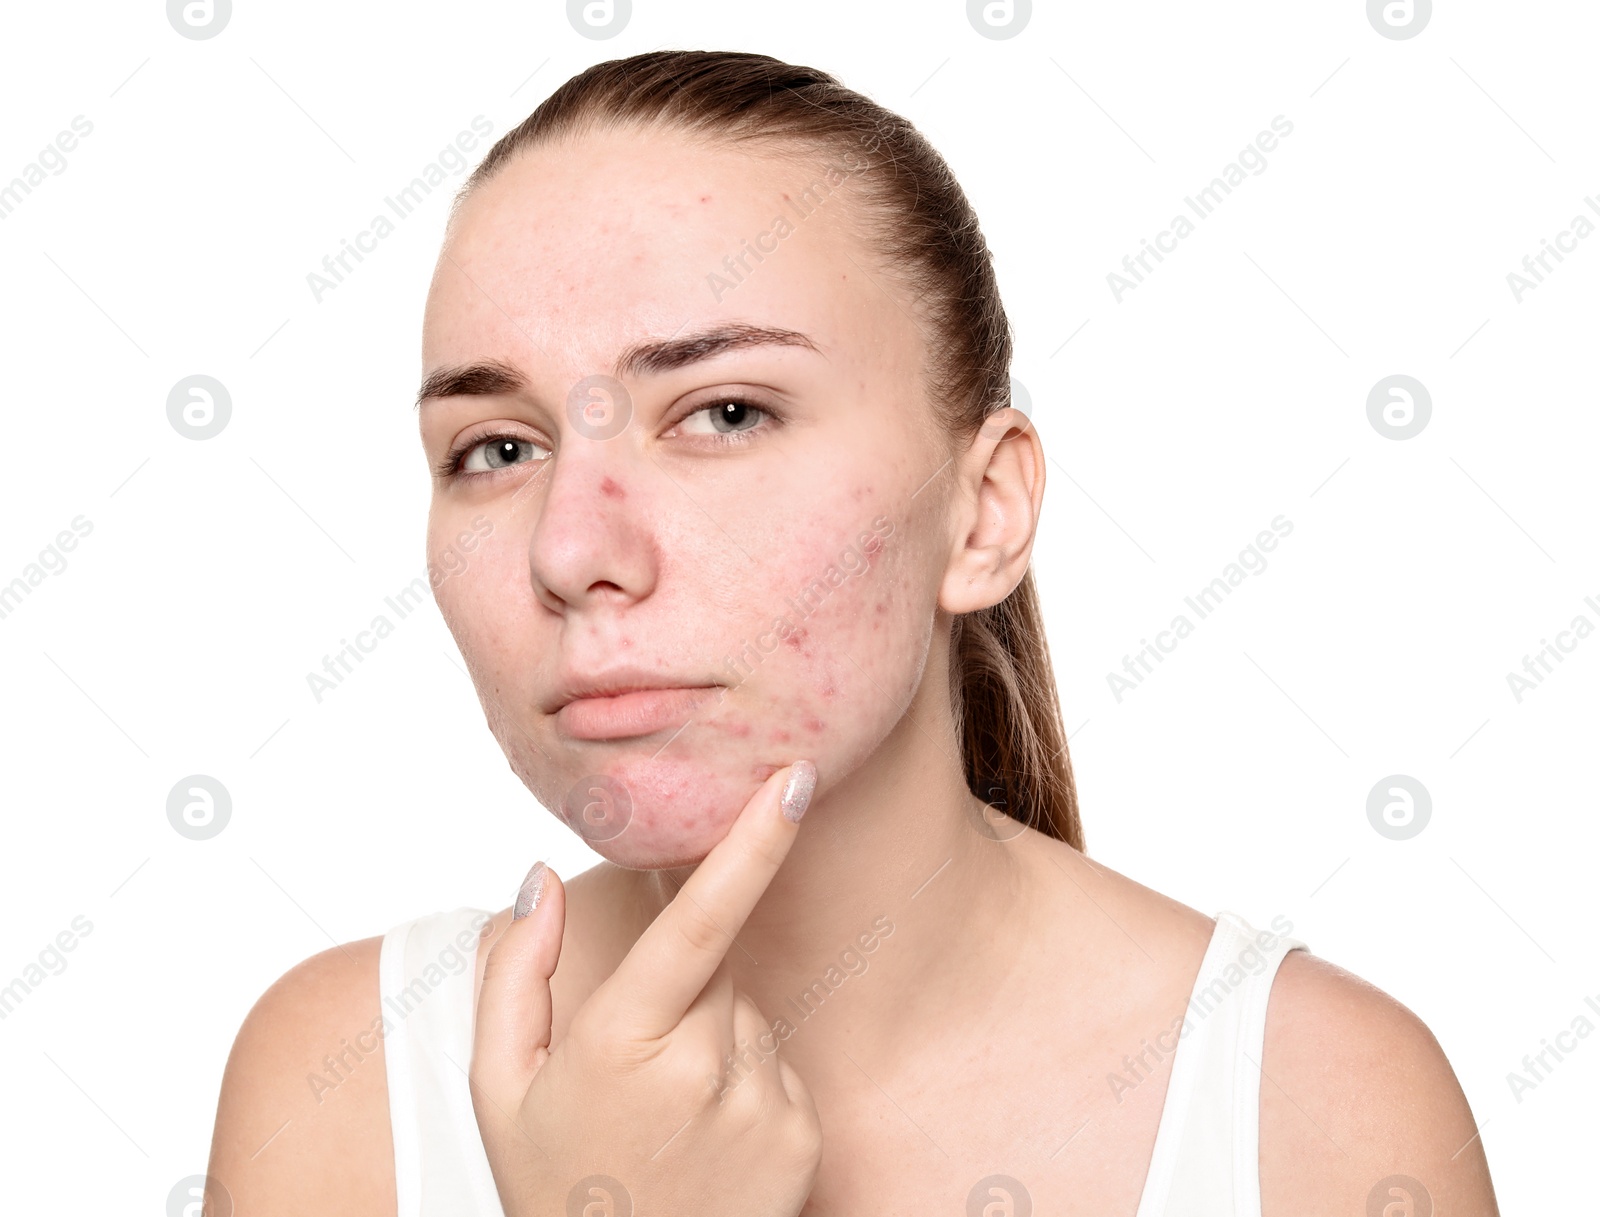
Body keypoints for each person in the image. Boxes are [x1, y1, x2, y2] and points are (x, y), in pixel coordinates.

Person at [206, 50, 1499, 1215]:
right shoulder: (341, 1090)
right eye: (496, 447)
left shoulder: (1317, 1111)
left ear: (983, 511)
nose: (569, 549)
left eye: (723, 415)